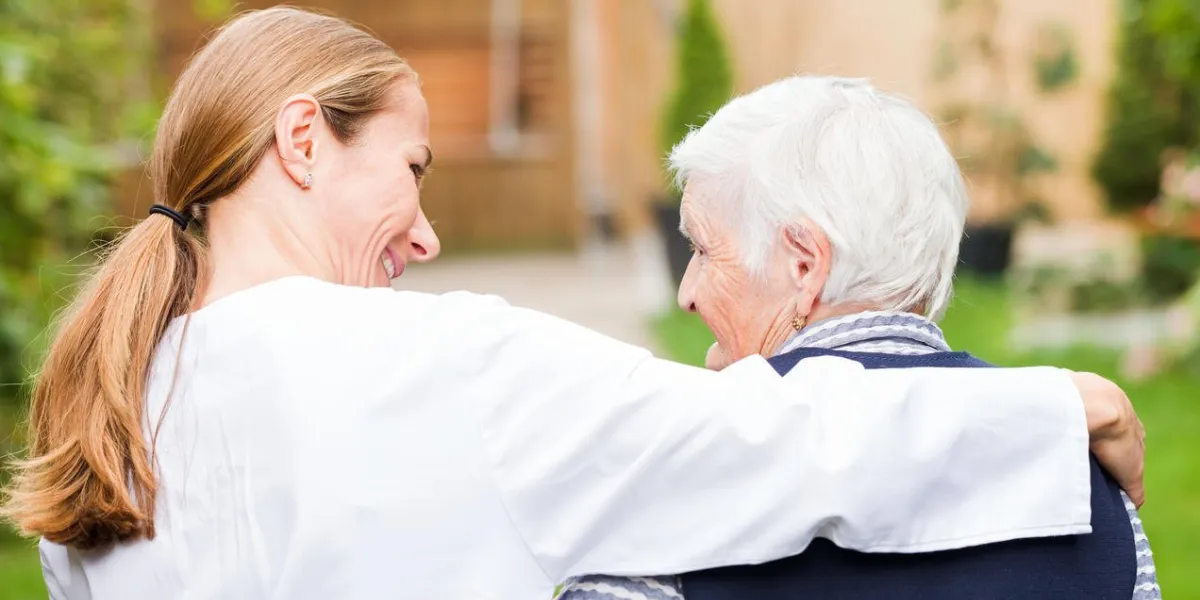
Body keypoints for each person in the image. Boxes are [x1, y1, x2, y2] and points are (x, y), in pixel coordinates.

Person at [0, 9, 1145, 600]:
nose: (428, 230)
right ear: (304, 140)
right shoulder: (436, 366)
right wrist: (1062, 408)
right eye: (414, 170)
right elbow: (784, 437)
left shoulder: (107, 429)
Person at [558, 76, 1159, 600]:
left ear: (803, 265)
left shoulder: (673, 479)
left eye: (702, 249)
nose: (686, 292)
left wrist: (707, 426)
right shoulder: (1079, 469)